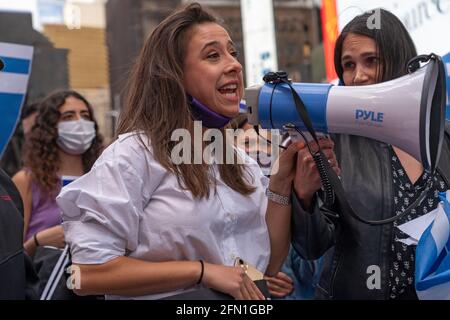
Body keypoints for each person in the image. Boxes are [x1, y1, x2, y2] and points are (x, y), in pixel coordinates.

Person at [55, 3, 312, 300]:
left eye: (233, 53)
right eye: (213, 55)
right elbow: (87, 274)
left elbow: (267, 264)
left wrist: (281, 183)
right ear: (174, 76)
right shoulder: (132, 156)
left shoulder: (239, 163)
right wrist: (202, 271)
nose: (234, 65)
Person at [291, 9, 450, 299]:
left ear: (400, 58)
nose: (358, 76)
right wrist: (303, 198)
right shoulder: (333, 141)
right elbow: (312, 246)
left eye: (371, 61)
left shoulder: (442, 133)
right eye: (348, 65)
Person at [12, 90, 104, 257]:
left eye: (85, 115)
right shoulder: (26, 181)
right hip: (46, 278)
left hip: (97, 277)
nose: (79, 122)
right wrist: (37, 241)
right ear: (50, 127)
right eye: (68, 116)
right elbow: (10, 257)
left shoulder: (104, 176)